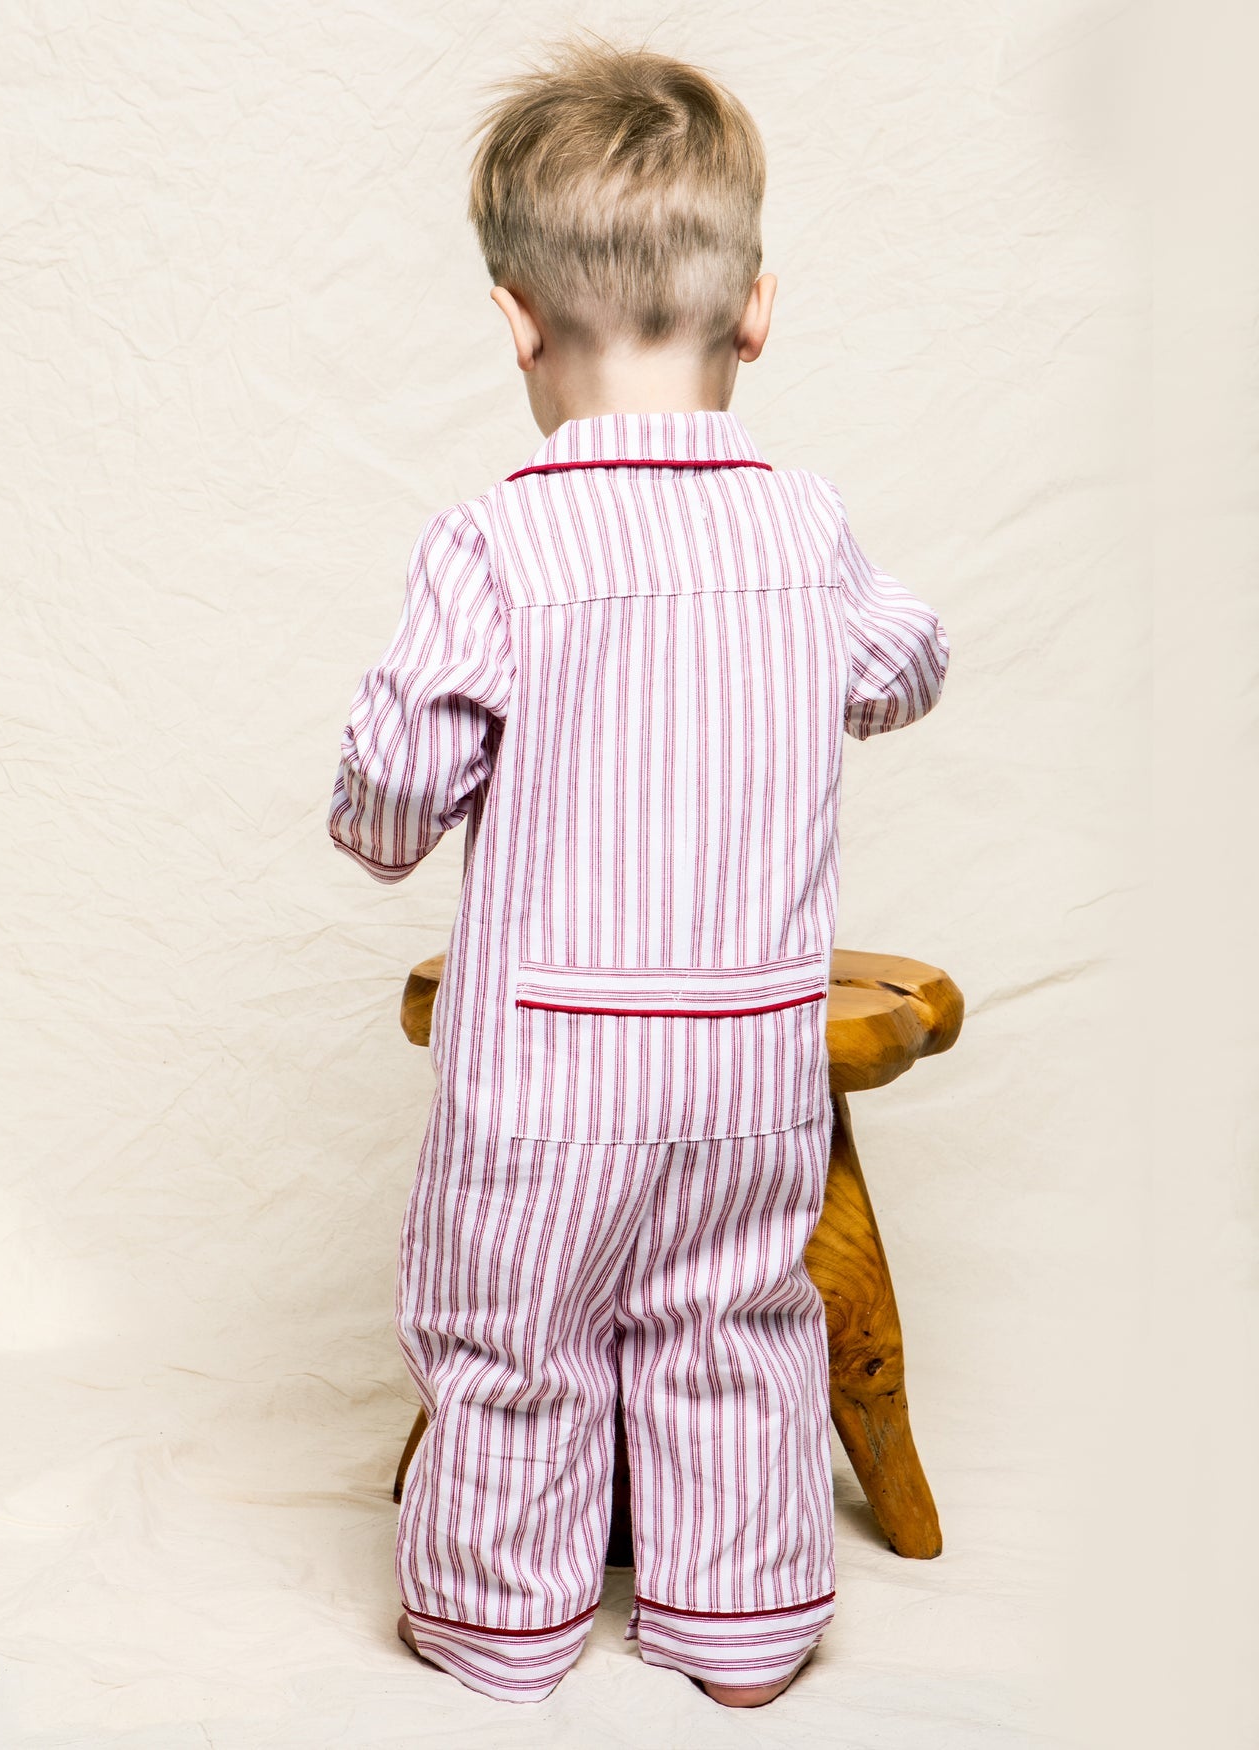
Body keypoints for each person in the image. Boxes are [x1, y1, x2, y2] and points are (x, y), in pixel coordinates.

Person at [330, 38, 949, 1708]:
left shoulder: (491, 545)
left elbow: (390, 804)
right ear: (756, 311)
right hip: (745, 1059)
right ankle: (744, 1639)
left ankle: (494, 1628)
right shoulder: (805, 528)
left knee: (510, 1342)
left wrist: (387, 791)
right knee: (734, 1329)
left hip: (544, 1076)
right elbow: (903, 666)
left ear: (516, 320)